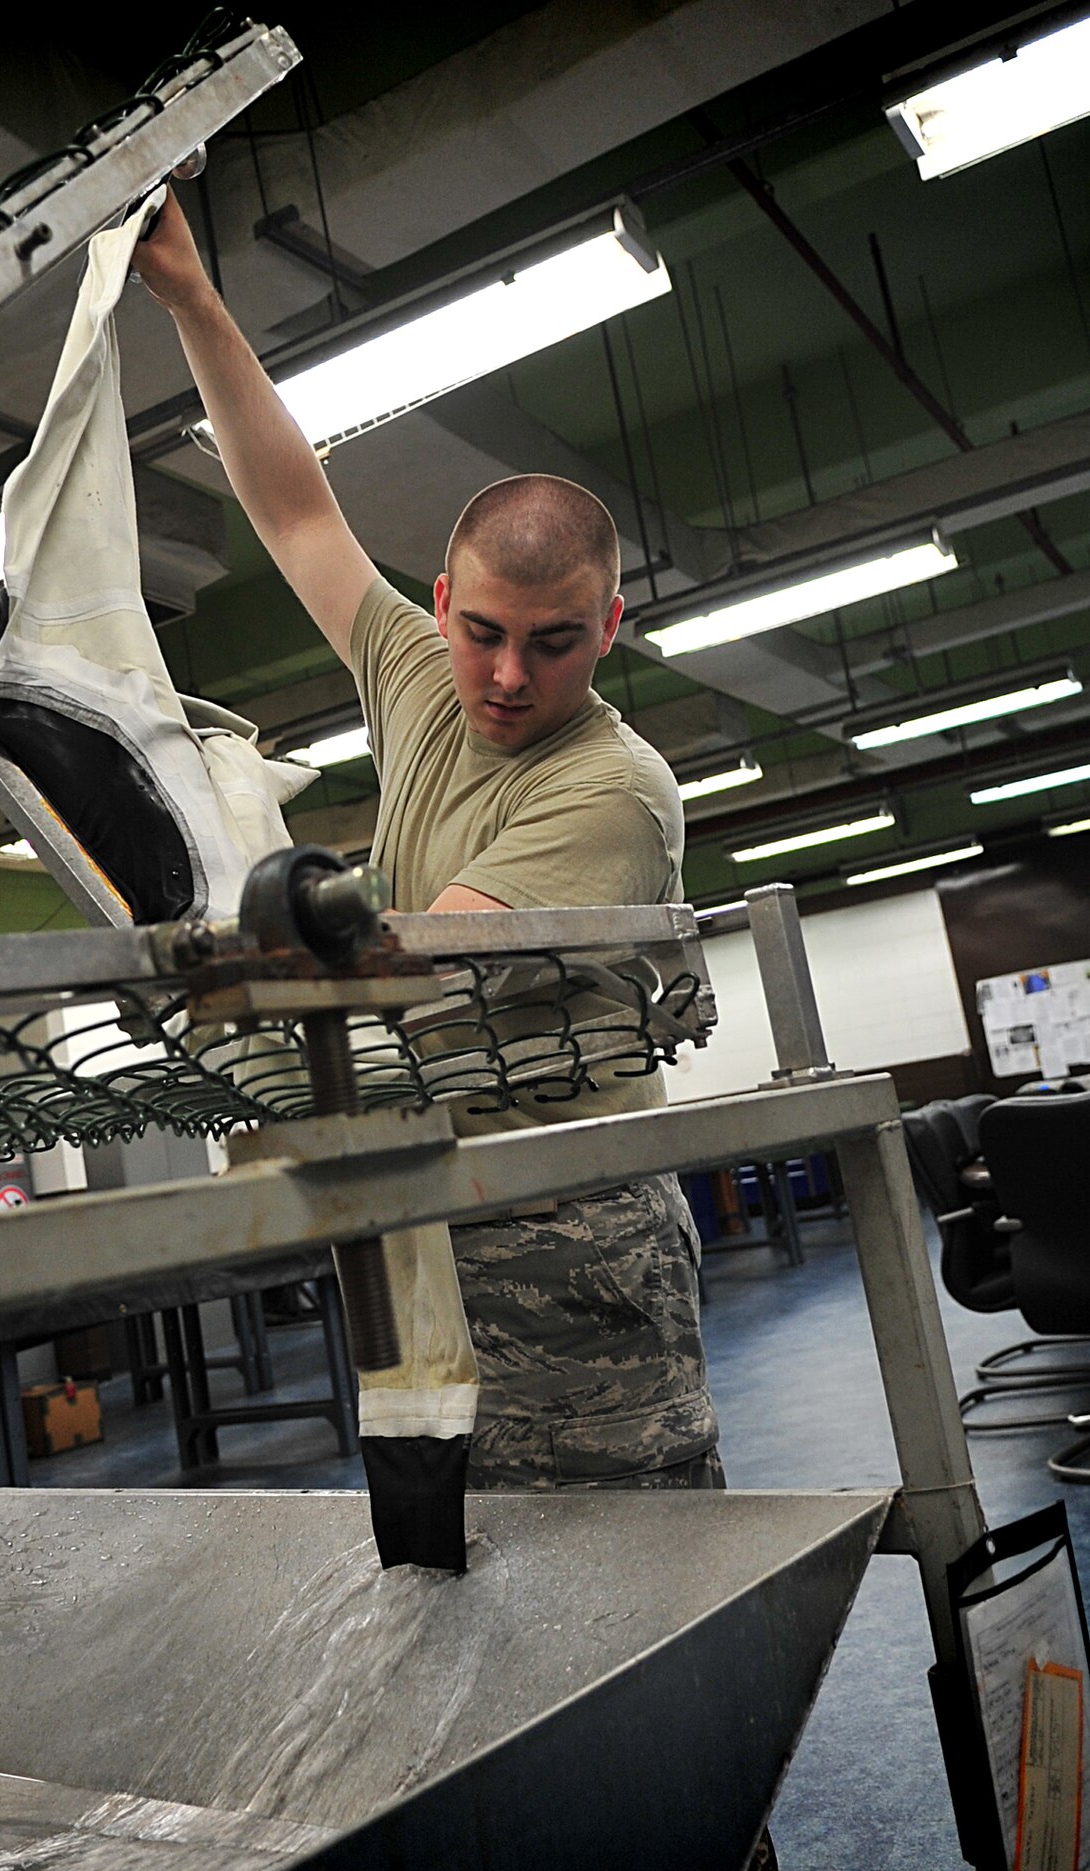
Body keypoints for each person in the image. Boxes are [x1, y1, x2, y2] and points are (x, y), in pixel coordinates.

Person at [130, 196, 721, 1495]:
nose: (507, 677)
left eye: (553, 642)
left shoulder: (613, 789)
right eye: (484, 632)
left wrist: (257, 960)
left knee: (625, 1588)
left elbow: (422, 967)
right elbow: (292, 512)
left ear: (607, 626)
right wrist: (189, 297)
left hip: (570, 1237)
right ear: (442, 604)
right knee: (477, 1580)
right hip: (431, 1217)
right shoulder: (415, 669)